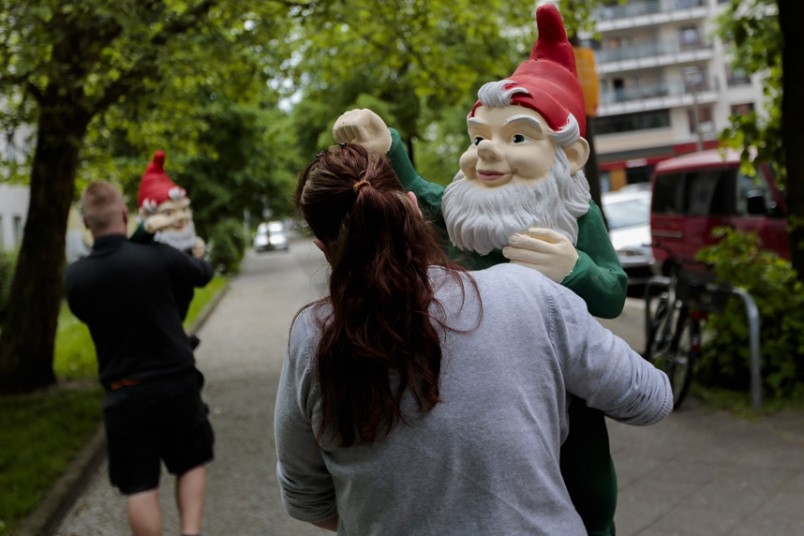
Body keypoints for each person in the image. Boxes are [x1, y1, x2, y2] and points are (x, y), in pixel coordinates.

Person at [273, 144, 672, 535]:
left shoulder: (312, 334)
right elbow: (651, 398)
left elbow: (305, 497)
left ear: (324, 249)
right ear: (413, 208)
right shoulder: (528, 293)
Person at [332, 6, 627, 534]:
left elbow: (613, 295)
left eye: (516, 138)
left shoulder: (579, 221)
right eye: (477, 138)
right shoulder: (464, 217)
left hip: (566, 380)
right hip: (484, 382)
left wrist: (576, 267)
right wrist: (389, 150)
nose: (485, 153)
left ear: (571, 154)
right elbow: (423, 196)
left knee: (588, 484)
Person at [65, 181, 215, 536]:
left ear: (86, 223)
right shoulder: (159, 256)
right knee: (191, 461)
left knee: (140, 484)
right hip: (177, 383)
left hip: (124, 391)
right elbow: (203, 273)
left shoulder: (76, 278)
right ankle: (190, 532)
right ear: (123, 213)